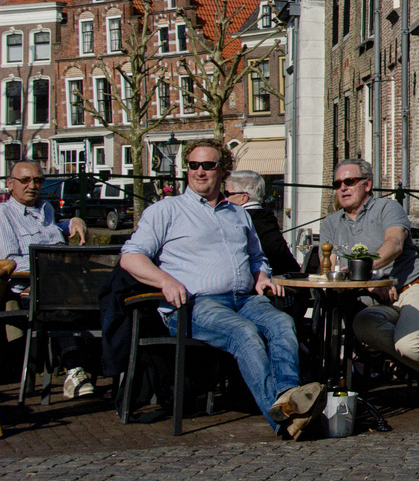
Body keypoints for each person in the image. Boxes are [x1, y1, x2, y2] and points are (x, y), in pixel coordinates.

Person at [119, 139, 323, 438]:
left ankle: (289, 399)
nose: (200, 172)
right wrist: (166, 281)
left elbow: (257, 257)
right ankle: (284, 419)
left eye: (208, 165)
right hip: (196, 305)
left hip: (245, 298)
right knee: (244, 333)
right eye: (193, 166)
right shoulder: (167, 211)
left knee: (282, 322)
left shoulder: (239, 214)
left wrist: (262, 276)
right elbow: (130, 256)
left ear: (223, 170)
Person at [320, 159, 419, 418]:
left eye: (349, 182)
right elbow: (331, 268)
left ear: (367, 184)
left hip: (416, 287)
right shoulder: (331, 223)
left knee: (409, 344)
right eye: (337, 184)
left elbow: (393, 244)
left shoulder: (387, 208)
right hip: (379, 297)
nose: (343, 188)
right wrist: (373, 286)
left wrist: (371, 273)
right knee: (362, 326)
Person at [2, 161, 94, 397]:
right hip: (28, 289)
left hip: (63, 283)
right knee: (63, 293)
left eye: (38, 180)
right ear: (10, 184)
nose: (32, 185)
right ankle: (74, 368)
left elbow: (51, 231)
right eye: (25, 180)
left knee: (108, 292)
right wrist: (52, 263)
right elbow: (10, 260)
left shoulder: (46, 209)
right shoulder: (3, 216)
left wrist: (71, 222)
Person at [226, 170, 300, 277]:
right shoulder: (266, 217)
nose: (224, 198)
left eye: (227, 194)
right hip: (290, 278)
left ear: (243, 198)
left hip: (271, 285)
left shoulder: (241, 221)